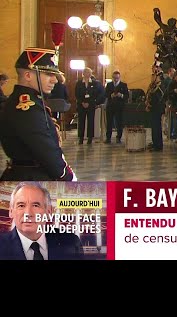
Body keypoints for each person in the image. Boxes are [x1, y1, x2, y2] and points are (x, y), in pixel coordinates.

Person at [0, 48, 76, 181]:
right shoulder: (26, 107)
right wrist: (67, 177)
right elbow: (45, 149)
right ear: (28, 76)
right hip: (30, 179)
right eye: (48, 74)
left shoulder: (33, 101)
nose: (55, 80)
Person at [0, 182, 84, 260]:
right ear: (11, 212)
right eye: (21, 205)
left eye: (36, 205)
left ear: (48, 212)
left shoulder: (72, 243)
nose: (28, 213)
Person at [74, 67, 104, 145]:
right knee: (81, 121)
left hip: (91, 105)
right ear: (83, 74)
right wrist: (82, 102)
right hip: (81, 105)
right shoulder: (79, 83)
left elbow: (97, 94)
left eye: (89, 73)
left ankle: (90, 138)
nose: (87, 74)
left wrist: (92, 102)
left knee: (91, 121)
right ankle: (81, 138)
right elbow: (77, 94)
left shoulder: (95, 83)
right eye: (86, 72)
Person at [104, 70, 129, 144]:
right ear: (112, 78)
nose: (116, 79)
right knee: (109, 123)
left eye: (117, 78)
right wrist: (111, 95)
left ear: (119, 77)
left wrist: (121, 95)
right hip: (110, 106)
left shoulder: (123, 85)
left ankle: (119, 137)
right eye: (114, 78)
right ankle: (108, 138)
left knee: (119, 123)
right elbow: (105, 94)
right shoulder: (109, 85)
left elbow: (126, 96)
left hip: (119, 107)